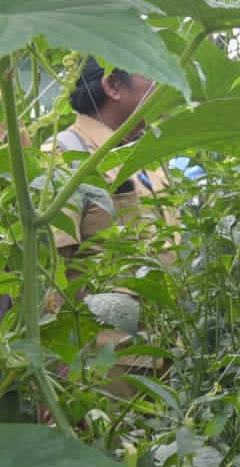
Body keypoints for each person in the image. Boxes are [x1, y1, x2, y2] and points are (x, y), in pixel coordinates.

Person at [48, 58, 174, 393]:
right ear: (112, 85)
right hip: (103, 360)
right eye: (151, 74)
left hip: (164, 348)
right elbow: (48, 273)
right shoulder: (63, 157)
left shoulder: (146, 157)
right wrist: (58, 376)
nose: (161, 87)